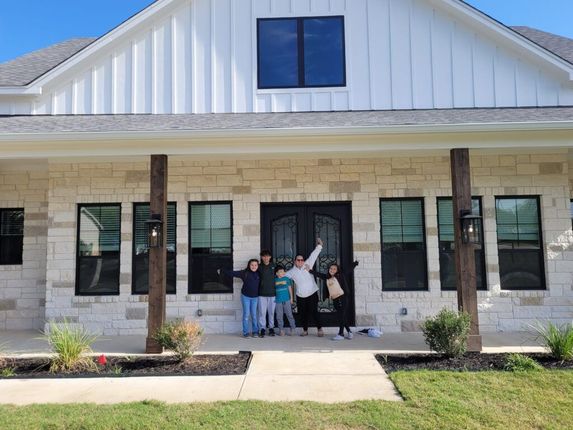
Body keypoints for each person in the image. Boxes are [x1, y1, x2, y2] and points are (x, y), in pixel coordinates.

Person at [285, 237, 324, 337]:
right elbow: (282, 276)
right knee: (303, 314)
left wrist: (319, 246)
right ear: (295, 261)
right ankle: (305, 330)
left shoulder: (308, 264)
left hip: (312, 293)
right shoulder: (292, 272)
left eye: (302, 260)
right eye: (298, 260)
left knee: (314, 311)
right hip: (300, 295)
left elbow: (314, 255)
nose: (300, 261)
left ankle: (319, 329)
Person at [311, 261, 358, 341]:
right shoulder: (327, 277)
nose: (332, 270)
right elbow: (319, 275)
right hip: (335, 298)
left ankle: (341, 334)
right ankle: (349, 331)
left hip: (343, 297)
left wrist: (355, 263)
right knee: (341, 316)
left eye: (334, 269)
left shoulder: (340, 275)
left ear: (337, 270)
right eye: (331, 268)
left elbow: (348, 269)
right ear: (329, 269)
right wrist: (310, 271)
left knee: (342, 315)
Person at [219, 259, 260, 338]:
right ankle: (246, 333)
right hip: (246, 297)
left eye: (255, 265)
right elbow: (232, 273)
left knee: (254, 315)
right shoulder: (244, 273)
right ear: (249, 265)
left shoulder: (259, 273)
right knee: (246, 315)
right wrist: (222, 270)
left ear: (258, 266)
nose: (254, 266)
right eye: (252, 265)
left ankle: (255, 332)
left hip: (255, 297)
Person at [257, 249, 276, 337]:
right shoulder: (259, 267)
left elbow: (281, 275)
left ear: (270, 257)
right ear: (261, 257)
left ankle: (271, 328)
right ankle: (262, 329)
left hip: (272, 294)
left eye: (267, 256)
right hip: (262, 294)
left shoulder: (274, 266)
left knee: (271, 312)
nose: (266, 258)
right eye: (264, 256)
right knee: (262, 313)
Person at [274, 265, 296, 336]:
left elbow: (290, 289)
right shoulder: (274, 280)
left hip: (286, 300)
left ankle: (292, 328)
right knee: (279, 316)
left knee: (289, 314)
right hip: (278, 301)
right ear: (276, 273)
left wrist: (291, 298)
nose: (283, 272)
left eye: (283, 271)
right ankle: (281, 329)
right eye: (280, 271)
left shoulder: (287, 279)